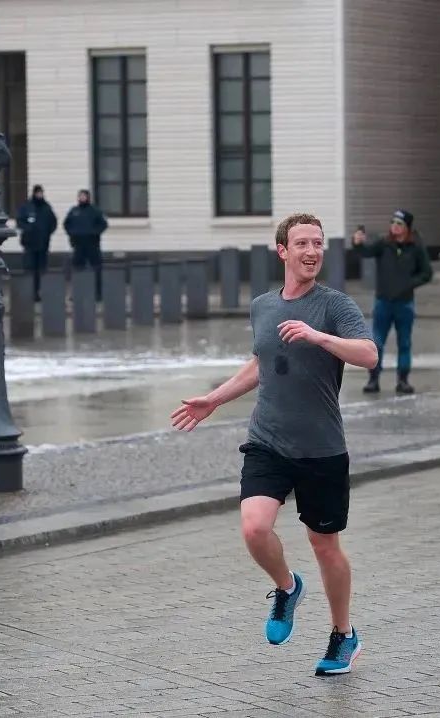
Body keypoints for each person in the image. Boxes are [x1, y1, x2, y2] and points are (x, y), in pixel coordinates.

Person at [171, 212, 377, 677]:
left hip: (322, 447)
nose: (312, 251)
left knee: (325, 545)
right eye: (302, 243)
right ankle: (287, 588)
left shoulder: (335, 305)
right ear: (282, 251)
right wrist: (214, 400)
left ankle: (343, 634)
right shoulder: (263, 306)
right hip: (267, 440)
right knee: (254, 528)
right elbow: (263, 362)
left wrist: (318, 336)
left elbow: (368, 355)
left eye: (318, 243)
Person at [351, 209, 433, 394]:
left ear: (407, 228)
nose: (394, 226)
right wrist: (357, 243)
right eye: (393, 222)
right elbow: (366, 252)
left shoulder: (416, 247)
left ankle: (403, 381)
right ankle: (373, 379)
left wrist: (409, 283)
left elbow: (427, 273)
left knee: (404, 343)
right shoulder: (384, 244)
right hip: (383, 302)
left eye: (399, 223)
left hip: (404, 303)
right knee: (377, 342)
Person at [64, 189, 109, 301]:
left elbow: (103, 224)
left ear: (88, 197)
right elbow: (66, 224)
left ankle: (98, 294)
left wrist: (95, 233)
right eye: (80, 196)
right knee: (77, 268)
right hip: (78, 244)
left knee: (96, 268)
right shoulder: (74, 211)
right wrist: (72, 233)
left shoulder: (95, 211)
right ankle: (77, 292)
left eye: (84, 196)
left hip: (92, 244)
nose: (82, 198)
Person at [15, 184, 58, 302]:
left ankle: (39, 292)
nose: (40, 195)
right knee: (29, 269)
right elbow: (19, 221)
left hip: (43, 244)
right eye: (38, 193)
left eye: (41, 193)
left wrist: (47, 233)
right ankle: (29, 292)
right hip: (29, 244)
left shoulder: (46, 207)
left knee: (41, 269)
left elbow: (53, 222)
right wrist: (28, 229)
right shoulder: (26, 207)